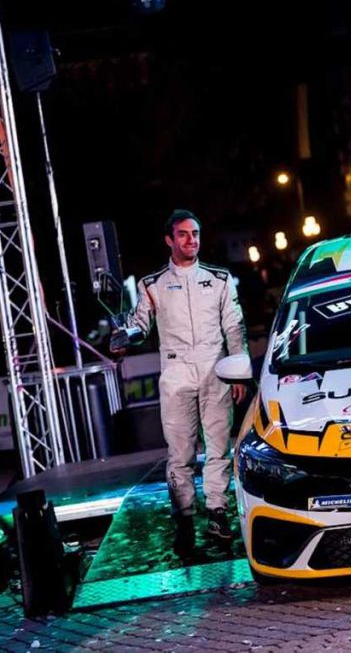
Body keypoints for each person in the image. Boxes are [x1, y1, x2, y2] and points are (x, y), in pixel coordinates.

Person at [114, 209, 248, 556]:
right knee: (180, 453)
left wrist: (238, 370)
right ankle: (184, 519)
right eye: (184, 234)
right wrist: (125, 337)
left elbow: (234, 327)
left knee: (218, 448)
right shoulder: (152, 284)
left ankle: (218, 513)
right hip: (176, 374)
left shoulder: (219, 279)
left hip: (217, 370)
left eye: (196, 233)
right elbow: (140, 324)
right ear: (169, 240)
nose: (192, 240)